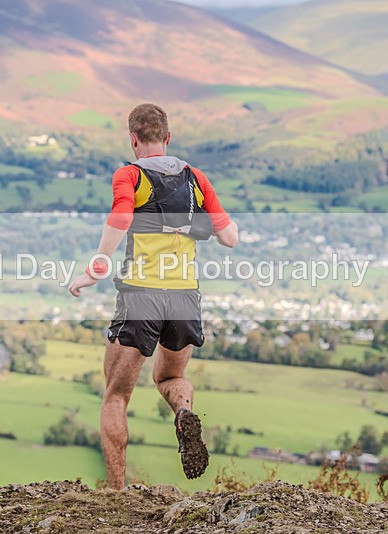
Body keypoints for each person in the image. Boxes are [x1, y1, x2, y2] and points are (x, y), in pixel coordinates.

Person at [68, 103, 238, 490]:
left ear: (133, 140)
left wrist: (96, 267)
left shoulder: (129, 174)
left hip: (141, 296)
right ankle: (182, 412)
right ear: (168, 137)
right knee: (171, 376)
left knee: (115, 395)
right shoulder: (196, 178)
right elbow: (230, 238)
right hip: (184, 298)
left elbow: (122, 217)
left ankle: (116, 493)